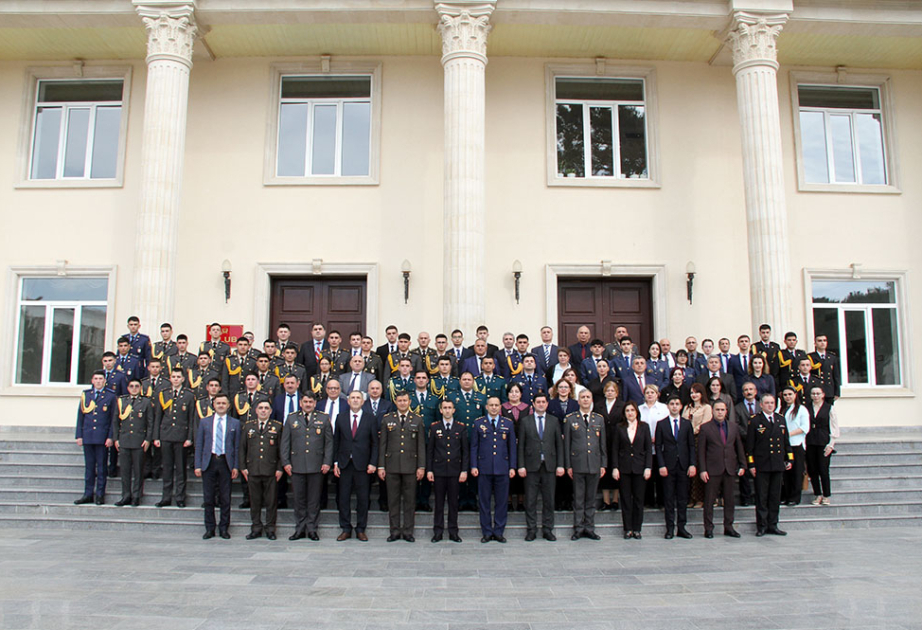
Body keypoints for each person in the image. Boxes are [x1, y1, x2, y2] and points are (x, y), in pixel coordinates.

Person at [281, 392, 332, 541]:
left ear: (315, 403)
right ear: (301, 403)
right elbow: (285, 443)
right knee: (299, 499)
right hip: (296, 465)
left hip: (316, 465)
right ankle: (300, 528)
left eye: (311, 402)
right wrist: (286, 462)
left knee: (314, 500)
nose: (308, 404)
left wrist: (327, 462)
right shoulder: (291, 418)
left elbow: (329, 443)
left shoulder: (323, 418)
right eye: (305, 402)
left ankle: (312, 528)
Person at [378, 391, 426, 542]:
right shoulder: (387, 419)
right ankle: (394, 531)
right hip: (391, 465)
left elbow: (421, 446)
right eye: (400, 401)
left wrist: (421, 467)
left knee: (410, 501)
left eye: (405, 401)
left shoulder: (417, 420)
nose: (402, 403)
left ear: (409, 402)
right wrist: (381, 466)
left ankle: (408, 531)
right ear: (396, 402)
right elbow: (383, 445)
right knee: (393, 500)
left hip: (411, 466)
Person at [517, 392, 564, 541]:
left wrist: (560, 465)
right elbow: (521, 446)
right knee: (530, 500)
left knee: (549, 500)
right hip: (531, 466)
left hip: (549, 466)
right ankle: (531, 529)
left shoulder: (554, 421)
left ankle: (548, 529)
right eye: (538, 402)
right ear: (533, 404)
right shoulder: (525, 421)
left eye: (543, 402)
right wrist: (521, 465)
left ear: (547, 404)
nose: (541, 404)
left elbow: (559, 445)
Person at [333, 391, 379, 541]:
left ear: (363, 401)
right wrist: (335, 463)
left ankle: (360, 528)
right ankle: (346, 528)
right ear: (348, 401)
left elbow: (374, 443)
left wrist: (373, 463)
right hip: (345, 464)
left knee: (363, 498)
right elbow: (336, 442)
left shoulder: (370, 418)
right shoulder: (340, 418)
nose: (355, 400)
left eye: (358, 398)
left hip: (363, 465)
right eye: (352, 397)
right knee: (343, 498)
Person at [697, 400, 746, 538]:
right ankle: (708, 528)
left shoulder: (733, 427)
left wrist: (743, 464)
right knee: (709, 500)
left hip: (729, 468)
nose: (720, 412)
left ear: (726, 411)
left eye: (722, 410)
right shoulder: (705, 428)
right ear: (712, 411)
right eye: (717, 409)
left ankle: (729, 527)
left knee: (729, 500)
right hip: (712, 469)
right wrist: (702, 469)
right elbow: (701, 451)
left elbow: (739, 447)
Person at [471, 397, 517, 543]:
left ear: (500, 407)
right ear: (486, 407)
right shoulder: (479, 423)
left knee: (501, 502)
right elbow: (474, 446)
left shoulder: (508, 423)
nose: (494, 408)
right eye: (491, 405)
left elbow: (512, 448)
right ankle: (486, 531)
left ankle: (498, 531)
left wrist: (512, 467)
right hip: (484, 468)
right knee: (484, 502)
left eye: (497, 405)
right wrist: (473, 465)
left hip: (502, 468)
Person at [747, 394, 793, 536]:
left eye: (772, 403)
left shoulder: (780, 419)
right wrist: (751, 464)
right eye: (767, 403)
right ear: (761, 405)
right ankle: (762, 526)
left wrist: (789, 459)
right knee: (762, 496)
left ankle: (773, 524)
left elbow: (786, 442)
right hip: (762, 464)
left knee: (775, 496)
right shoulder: (755, 421)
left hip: (777, 463)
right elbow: (750, 446)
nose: (770, 405)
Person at [194, 393, 239, 540]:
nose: (221, 405)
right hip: (209, 461)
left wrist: (236, 466)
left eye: (223, 403)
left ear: (228, 406)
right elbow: (199, 444)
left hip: (226, 462)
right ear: (213, 405)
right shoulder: (205, 422)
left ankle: (224, 528)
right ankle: (210, 528)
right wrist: (198, 465)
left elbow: (237, 447)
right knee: (209, 497)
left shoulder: (235, 423)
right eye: (218, 403)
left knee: (225, 498)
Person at [564, 389, 607, 540]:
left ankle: (589, 528)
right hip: (578, 464)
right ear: (578, 400)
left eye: (588, 397)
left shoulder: (598, 419)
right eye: (582, 397)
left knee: (591, 498)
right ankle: (578, 528)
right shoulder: (570, 419)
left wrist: (603, 464)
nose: (585, 400)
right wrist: (568, 465)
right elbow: (567, 444)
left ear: (592, 400)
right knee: (579, 498)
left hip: (594, 464)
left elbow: (602, 444)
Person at [240, 401, 283, 540]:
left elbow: (281, 449)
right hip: (252, 469)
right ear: (256, 411)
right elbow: (242, 448)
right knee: (255, 501)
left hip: (270, 470)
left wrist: (279, 468)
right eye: (261, 408)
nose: (263, 411)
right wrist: (243, 467)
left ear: (271, 411)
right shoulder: (248, 426)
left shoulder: (277, 426)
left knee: (271, 502)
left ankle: (270, 528)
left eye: (266, 408)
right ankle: (256, 527)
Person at [427, 398, 468, 543]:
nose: (447, 410)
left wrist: (464, 470)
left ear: (454, 410)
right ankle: (437, 531)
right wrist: (429, 470)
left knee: (453, 503)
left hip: (455, 471)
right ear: (440, 410)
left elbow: (465, 451)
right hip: (438, 470)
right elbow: (430, 451)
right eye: (445, 408)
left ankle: (453, 531)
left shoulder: (460, 427)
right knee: (438, 503)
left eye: (450, 407)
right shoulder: (434, 427)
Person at [153, 368, 195, 508]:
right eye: (173, 376)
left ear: (183, 379)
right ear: (170, 379)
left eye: (178, 377)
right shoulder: (164, 394)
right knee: (167, 467)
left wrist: (189, 438)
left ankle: (180, 497)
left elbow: (191, 419)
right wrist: (156, 437)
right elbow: (158, 416)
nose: (176, 379)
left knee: (181, 469)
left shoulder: (189, 395)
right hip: (165, 435)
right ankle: (166, 497)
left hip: (181, 437)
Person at [656, 396, 696, 539]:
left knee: (682, 498)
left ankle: (682, 527)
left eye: (677, 404)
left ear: (681, 406)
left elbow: (691, 445)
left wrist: (692, 464)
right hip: (668, 465)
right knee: (668, 498)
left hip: (683, 466)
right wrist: (661, 465)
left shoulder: (686, 424)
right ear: (668, 406)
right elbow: (658, 447)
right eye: (672, 404)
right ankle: (670, 528)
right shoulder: (661, 424)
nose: (674, 406)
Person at [611, 401, 652, 539]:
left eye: (632, 410)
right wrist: (615, 467)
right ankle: (627, 529)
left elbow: (648, 449)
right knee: (626, 500)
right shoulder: (619, 427)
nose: (630, 413)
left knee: (639, 500)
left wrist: (648, 467)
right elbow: (615, 448)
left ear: (636, 412)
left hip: (640, 468)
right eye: (627, 411)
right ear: (624, 413)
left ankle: (637, 529)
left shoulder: (644, 427)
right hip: (624, 467)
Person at [74, 370, 116, 505]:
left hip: (102, 437)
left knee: (102, 468)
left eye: (100, 379)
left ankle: (99, 495)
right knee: (89, 467)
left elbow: (112, 419)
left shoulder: (110, 396)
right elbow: (81, 417)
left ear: (105, 381)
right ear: (92, 381)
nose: (98, 381)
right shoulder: (86, 395)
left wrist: (110, 437)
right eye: (96, 379)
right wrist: (79, 435)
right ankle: (87, 494)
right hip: (88, 436)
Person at [113, 379, 152, 507]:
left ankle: (136, 496)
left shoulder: (146, 402)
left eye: (137, 386)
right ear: (128, 388)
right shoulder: (121, 401)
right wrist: (116, 439)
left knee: (138, 471)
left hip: (139, 441)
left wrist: (148, 439)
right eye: (131, 386)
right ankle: (126, 495)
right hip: (124, 440)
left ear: (140, 388)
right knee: (125, 471)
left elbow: (150, 422)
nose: (134, 388)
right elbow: (115, 422)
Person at [595, 381, 625, 512]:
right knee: (604, 469)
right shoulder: (598, 405)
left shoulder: (622, 405)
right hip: (602, 440)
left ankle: (615, 500)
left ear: (616, 393)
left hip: (617, 440)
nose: (610, 393)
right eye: (608, 390)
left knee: (616, 468)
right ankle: (606, 500)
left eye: (612, 391)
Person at [806, 387, 839, 506]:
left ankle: (826, 495)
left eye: (818, 393)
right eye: (813, 393)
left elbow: (834, 427)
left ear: (823, 395)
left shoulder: (829, 408)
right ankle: (818, 494)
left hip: (823, 442)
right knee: (812, 470)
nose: (815, 396)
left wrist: (831, 444)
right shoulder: (806, 408)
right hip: (810, 442)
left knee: (823, 470)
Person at [500, 382, 530, 512]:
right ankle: (509, 501)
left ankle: (521, 501)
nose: (514, 394)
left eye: (516, 392)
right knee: (508, 474)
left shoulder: (527, 408)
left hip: (524, 445)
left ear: (521, 394)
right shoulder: (502, 408)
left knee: (521, 474)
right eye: (511, 392)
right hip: (505, 445)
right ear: (507, 394)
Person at [682, 383, 712, 509]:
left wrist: (692, 430)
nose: (694, 395)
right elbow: (683, 421)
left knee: (699, 467)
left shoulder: (706, 408)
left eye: (696, 392)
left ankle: (700, 498)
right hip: (687, 441)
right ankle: (690, 498)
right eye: (692, 393)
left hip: (700, 439)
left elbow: (705, 423)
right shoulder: (687, 407)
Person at [780, 386, 810, 506]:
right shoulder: (781, 409)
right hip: (784, 445)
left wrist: (788, 434)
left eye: (790, 394)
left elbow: (804, 428)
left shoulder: (801, 409)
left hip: (796, 444)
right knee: (785, 472)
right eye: (785, 395)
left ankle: (795, 497)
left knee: (796, 472)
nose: (788, 397)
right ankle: (786, 496)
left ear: (795, 395)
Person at [733, 381, 759, 506]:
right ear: (742, 393)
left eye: (751, 389)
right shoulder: (737, 408)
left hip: (760, 444)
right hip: (743, 442)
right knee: (743, 469)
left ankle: (759, 496)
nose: (749, 392)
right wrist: (748, 435)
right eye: (746, 390)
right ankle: (746, 497)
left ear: (756, 391)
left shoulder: (761, 406)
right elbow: (736, 425)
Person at [808, 334, 841, 405]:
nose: (822, 343)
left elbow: (836, 375)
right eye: (820, 341)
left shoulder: (832, 357)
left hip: (829, 390)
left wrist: (837, 392)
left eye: (824, 341)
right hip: (815, 390)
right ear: (815, 343)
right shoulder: (810, 357)